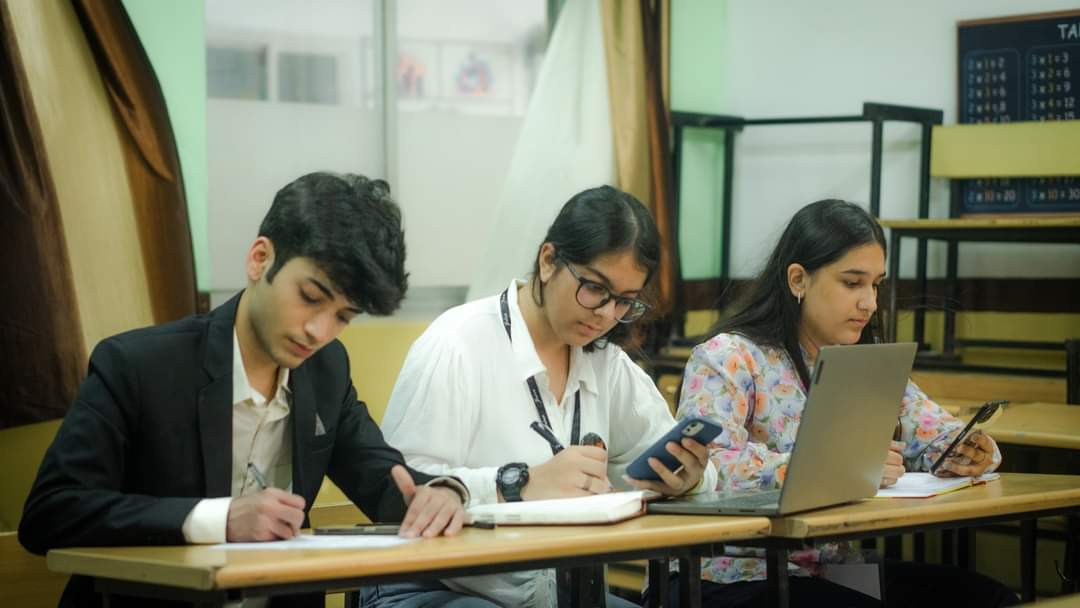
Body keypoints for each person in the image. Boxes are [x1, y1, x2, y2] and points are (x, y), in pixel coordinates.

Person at [19, 172, 469, 608]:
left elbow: (382, 477)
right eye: (311, 297)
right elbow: (51, 512)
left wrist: (443, 494)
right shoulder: (138, 365)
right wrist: (220, 519)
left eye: (344, 317)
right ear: (260, 259)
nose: (319, 331)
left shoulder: (326, 369)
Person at [366, 186, 718, 608]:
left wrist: (690, 479)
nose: (606, 314)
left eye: (625, 301)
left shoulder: (606, 364)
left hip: (560, 593)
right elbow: (404, 488)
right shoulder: (458, 343)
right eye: (594, 289)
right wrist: (522, 484)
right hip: (437, 589)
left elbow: (667, 460)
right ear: (548, 260)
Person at [659, 198, 1018, 607]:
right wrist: (837, 467)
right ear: (798, 280)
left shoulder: (864, 362)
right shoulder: (729, 356)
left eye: (876, 284)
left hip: (833, 571)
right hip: (728, 576)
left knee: (990, 599)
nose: (870, 302)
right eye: (852, 283)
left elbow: (935, 431)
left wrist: (971, 451)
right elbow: (708, 466)